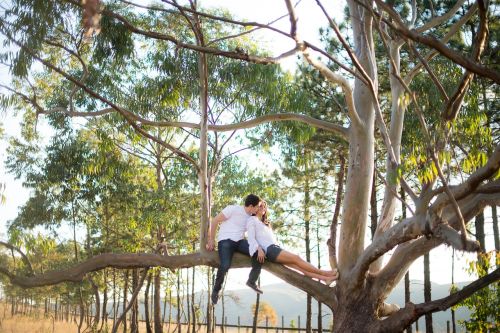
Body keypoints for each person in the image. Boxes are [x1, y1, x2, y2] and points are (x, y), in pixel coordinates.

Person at [247, 201, 338, 285]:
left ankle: (324, 279)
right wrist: (258, 249)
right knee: (296, 258)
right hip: (269, 250)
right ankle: (326, 273)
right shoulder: (252, 220)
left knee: (298, 267)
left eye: (264, 206)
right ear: (255, 208)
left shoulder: (265, 223)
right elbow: (251, 238)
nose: (263, 208)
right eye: (260, 206)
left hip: (275, 248)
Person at [206, 194, 264, 305]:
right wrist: (211, 240)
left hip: (240, 242)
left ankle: (251, 281)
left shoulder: (251, 218)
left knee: (258, 252)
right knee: (225, 265)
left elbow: (255, 234)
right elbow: (215, 221)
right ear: (251, 206)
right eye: (257, 207)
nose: (258, 209)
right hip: (226, 241)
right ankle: (216, 290)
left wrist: (259, 247)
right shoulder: (232, 209)